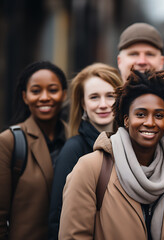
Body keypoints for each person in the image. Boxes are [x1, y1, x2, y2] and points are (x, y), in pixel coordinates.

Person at [59, 69, 164, 239]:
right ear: (126, 119)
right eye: (140, 114)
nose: (150, 122)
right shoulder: (91, 167)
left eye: (159, 115)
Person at [48, 63, 122, 239]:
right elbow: (57, 218)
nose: (103, 104)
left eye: (110, 96)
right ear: (83, 103)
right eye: (94, 97)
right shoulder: (73, 149)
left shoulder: (131, 145)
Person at [0, 61, 68, 240]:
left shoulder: (76, 138)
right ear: (25, 96)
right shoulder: (9, 141)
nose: (44, 97)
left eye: (53, 90)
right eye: (36, 91)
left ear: (64, 94)